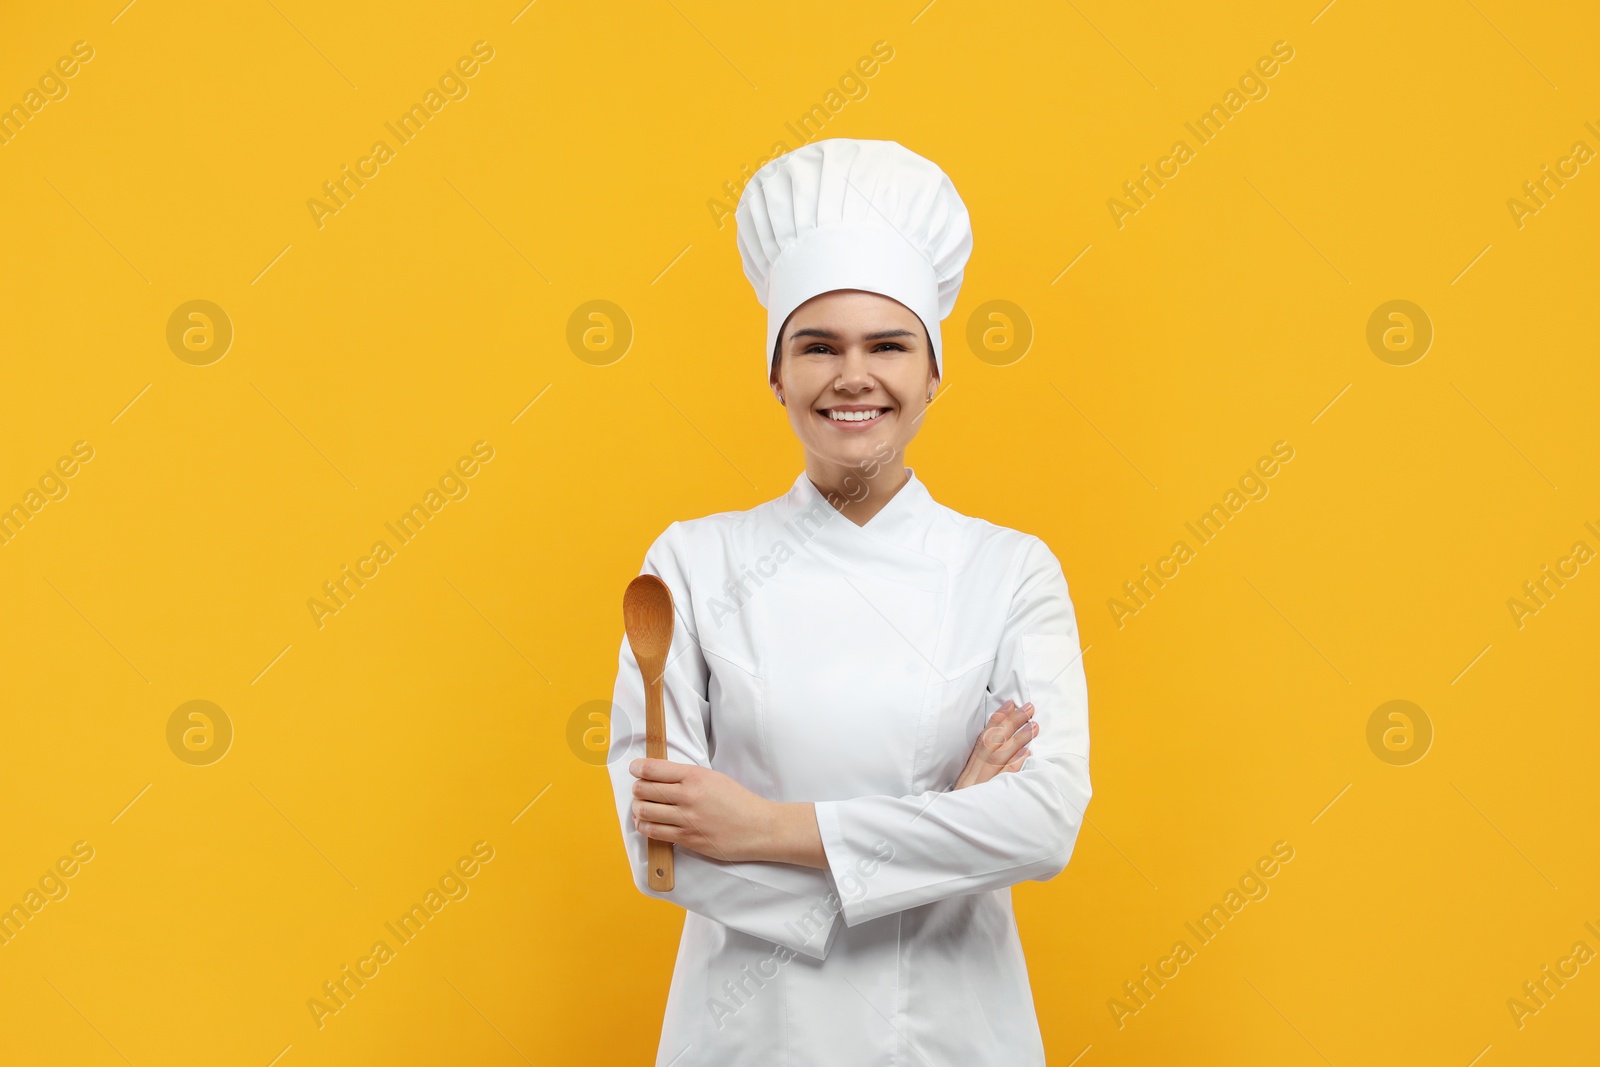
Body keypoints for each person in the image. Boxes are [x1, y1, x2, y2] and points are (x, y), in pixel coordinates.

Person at [607, 137, 1092, 1066]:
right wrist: (948, 822)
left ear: (934, 373)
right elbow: (660, 849)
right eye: (818, 346)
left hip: (954, 1032)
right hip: (748, 1035)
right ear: (777, 373)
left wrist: (769, 826)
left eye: (888, 345)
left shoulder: (1010, 570)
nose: (853, 375)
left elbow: (1043, 820)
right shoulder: (691, 563)